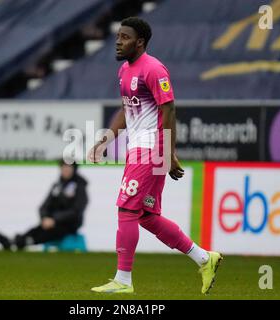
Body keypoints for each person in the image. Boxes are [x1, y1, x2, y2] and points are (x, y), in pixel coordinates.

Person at [88, 17, 222, 294]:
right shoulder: (125, 70)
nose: (117, 41)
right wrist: (105, 140)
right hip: (139, 149)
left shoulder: (154, 69)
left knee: (126, 209)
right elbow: (127, 110)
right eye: (118, 36)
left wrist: (168, 152)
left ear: (140, 42)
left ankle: (123, 281)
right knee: (146, 215)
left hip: (150, 149)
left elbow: (169, 109)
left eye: (124, 37)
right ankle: (205, 259)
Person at [0, 160, 88, 251]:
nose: (65, 169)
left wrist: (55, 220)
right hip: (51, 222)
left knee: (48, 233)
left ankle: (17, 242)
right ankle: (14, 241)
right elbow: (44, 206)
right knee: (36, 229)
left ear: (74, 169)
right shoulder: (57, 186)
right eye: (63, 167)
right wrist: (45, 218)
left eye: (68, 167)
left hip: (70, 224)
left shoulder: (80, 186)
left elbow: (76, 210)